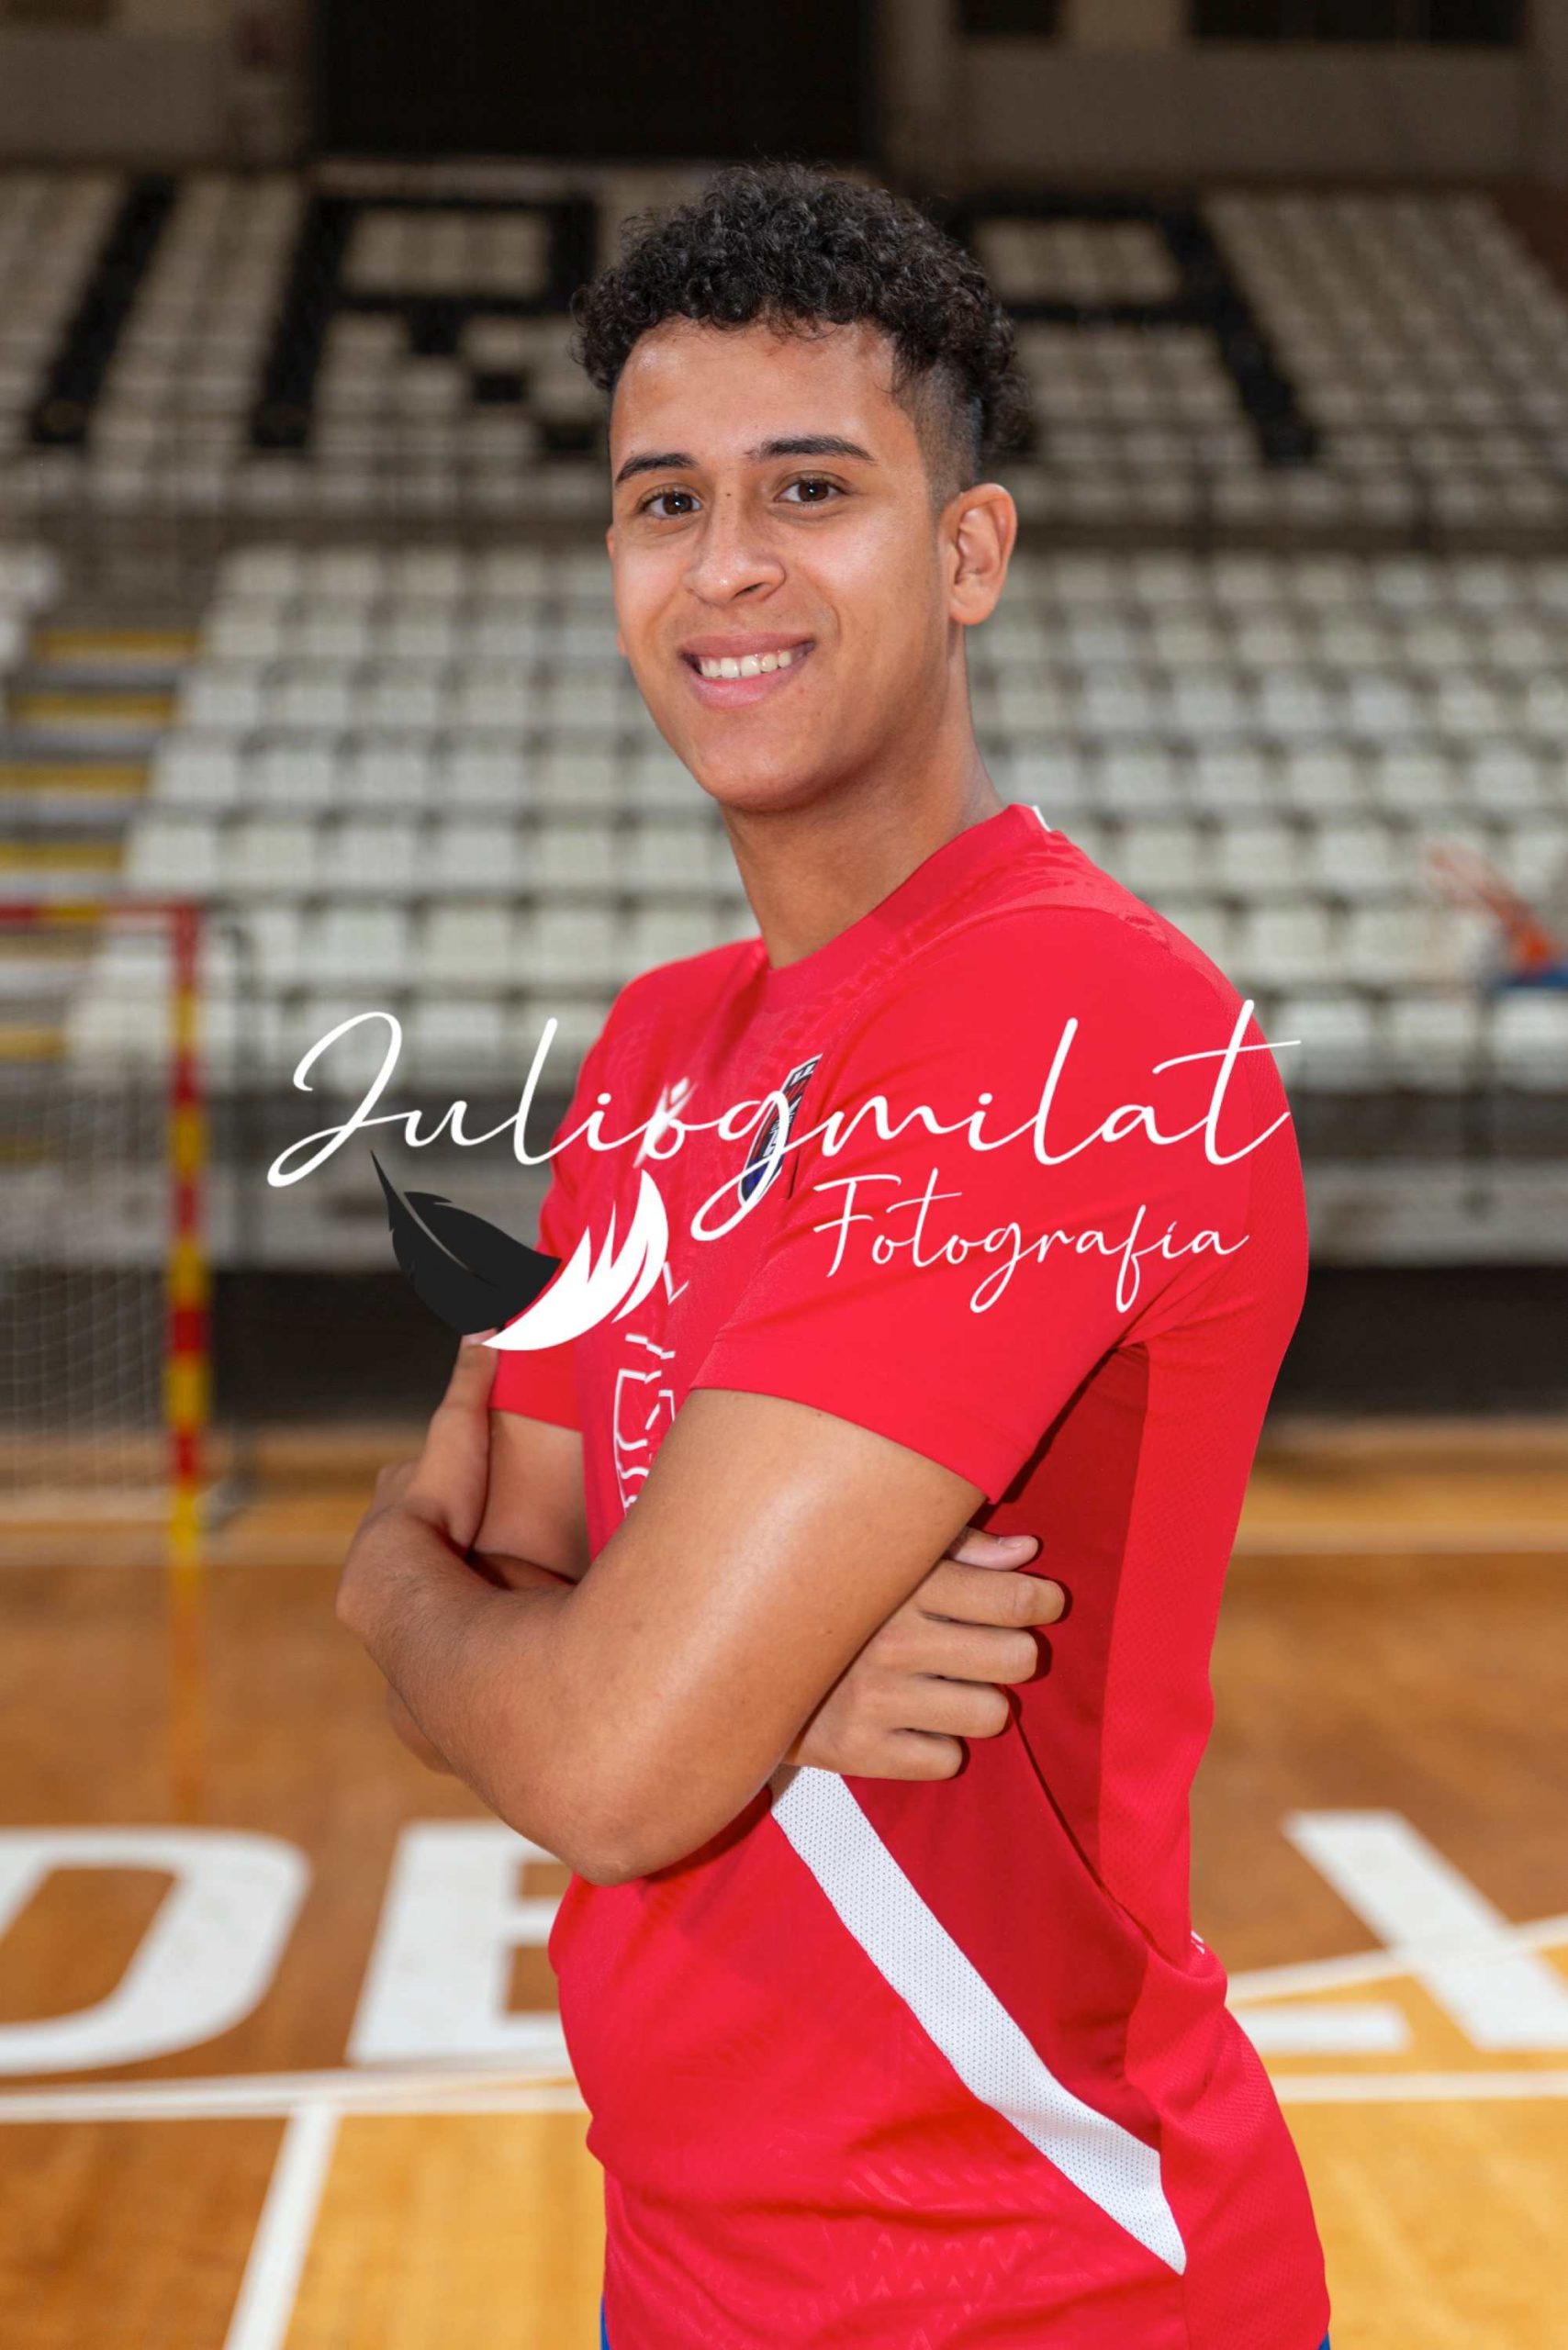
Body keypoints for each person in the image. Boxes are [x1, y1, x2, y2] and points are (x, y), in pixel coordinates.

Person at [338, 161, 1331, 2349]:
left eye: (809, 487)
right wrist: (718, 1676)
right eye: (661, 501)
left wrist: (443, 1602)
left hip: (1036, 2284)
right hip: (675, 2266)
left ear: (967, 550)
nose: (726, 565)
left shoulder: (1067, 1022)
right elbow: (528, 1601)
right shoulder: (655, 1045)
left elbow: (594, 1747)